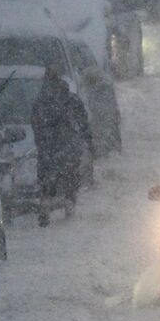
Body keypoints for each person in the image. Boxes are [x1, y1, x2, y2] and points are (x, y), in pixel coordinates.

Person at [31, 69, 93, 226]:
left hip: (48, 146)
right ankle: (69, 204)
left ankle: (45, 203)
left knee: (46, 176)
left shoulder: (41, 100)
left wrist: (40, 140)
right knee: (70, 174)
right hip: (69, 145)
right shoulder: (71, 98)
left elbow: (34, 123)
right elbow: (83, 121)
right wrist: (87, 139)